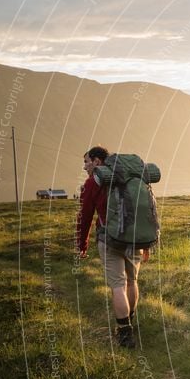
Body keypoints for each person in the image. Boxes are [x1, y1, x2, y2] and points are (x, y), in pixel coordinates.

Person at [76, 145, 149, 348]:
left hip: (109, 240)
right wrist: (146, 243)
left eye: (86, 162)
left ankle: (125, 333)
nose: (85, 167)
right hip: (134, 238)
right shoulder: (130, 178)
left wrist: (82, 243)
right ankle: (130, 321)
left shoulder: (93, 183)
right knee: (132, 282)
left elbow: (85, 216)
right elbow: (144, 209)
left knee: (118, 285)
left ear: (97, 161)